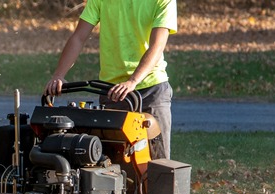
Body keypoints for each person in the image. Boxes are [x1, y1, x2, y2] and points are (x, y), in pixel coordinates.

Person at [44, 0, 177, 160]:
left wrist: (132, 81)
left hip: (151, 91)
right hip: (112, 92)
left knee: (158, 165)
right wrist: (58, 75)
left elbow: (157, 46)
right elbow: (79, 37)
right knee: (113, 165)